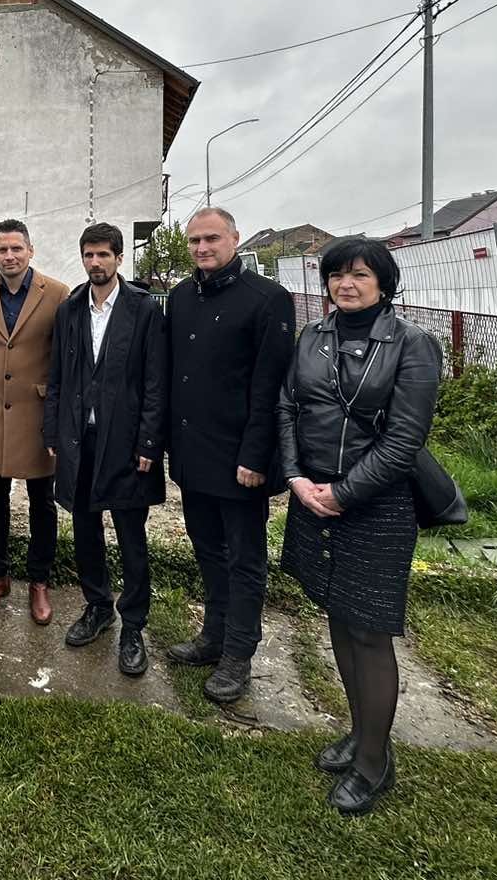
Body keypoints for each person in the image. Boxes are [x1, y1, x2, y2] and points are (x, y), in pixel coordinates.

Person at [277, 236, 440, 816]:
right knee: (339, 619)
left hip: (376, 504)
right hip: (312, 493)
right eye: (337, 275)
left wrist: (343, 493)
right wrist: (295, 476)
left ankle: (374, 761)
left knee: (370, 631)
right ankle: (361, 734)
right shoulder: (314, 336)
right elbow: (288, 408)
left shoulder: (412, 344)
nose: (346, 284)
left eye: (360, 275)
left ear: (384, 282)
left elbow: (404, 440)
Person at [164, 206, 295, 705]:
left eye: (211, 239)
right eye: (195, 241)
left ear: (235, 239)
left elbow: (271, 387)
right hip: (193, 455)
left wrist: (257, 454)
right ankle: (213, 635)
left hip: (242, 459)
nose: (202, 248)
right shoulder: (180, 297)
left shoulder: (267, 300)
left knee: (245, 558)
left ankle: (239, 652)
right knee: (206, 548)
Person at [43, 222, 166, 676]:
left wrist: (150, 441)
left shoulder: (145, 311)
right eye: (89, 255)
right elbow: (57, 376)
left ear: (118, 259)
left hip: (129, 444)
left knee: (131, 537)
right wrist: (53, 433)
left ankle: (133, 625)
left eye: (104, 255)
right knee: (85, 530)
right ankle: (98, 607)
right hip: (80, 441)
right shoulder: (70, 310)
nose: (96, 263)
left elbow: (156, 383)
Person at [0, 219, 69, 624]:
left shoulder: (58, 294)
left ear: (31, 251)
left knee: (43, 502)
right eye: (2, 250)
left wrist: (60, 419)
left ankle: (39, 581)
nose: (9, 256)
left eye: (16, 249)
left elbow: (65, 359)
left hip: (38, 414)